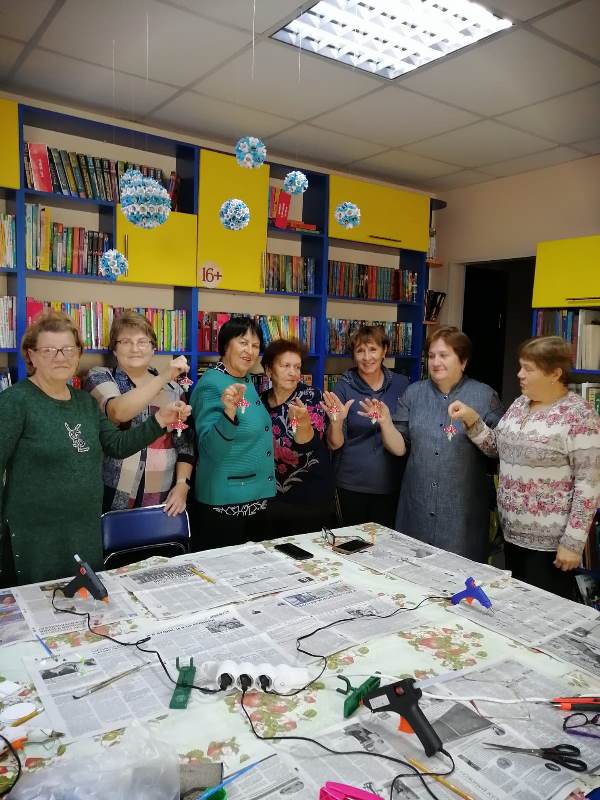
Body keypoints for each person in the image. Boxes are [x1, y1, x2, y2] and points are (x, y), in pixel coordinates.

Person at [0, 311, 191, 586]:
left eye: (68, 349)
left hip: (83, 532)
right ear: (31, 355)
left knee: (85, 603)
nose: (60, 357)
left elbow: (117, 445)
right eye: (49, 350)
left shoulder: (84, 403)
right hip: (34, 538)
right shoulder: (15, 402)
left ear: (78, 353)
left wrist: (160, 420)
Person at [449, 336, 600, 596]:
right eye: (521, 367)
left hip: (550, 548)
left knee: (544, 611)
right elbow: (496, 449)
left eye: (528, 369)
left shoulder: (580, 415)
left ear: (555, 374)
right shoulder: (520, 404)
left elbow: (589, 484)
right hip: (512, 536)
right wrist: (473, 420)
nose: (519, 374)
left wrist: (573, 543)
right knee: (517, 606)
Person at [362, 326, 502, 561]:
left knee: (459, 575)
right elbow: (400, 447)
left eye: (443, 355)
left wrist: (473, 421)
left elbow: (498, 450)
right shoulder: (413, 393)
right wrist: (385, 422)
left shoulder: (485, 396)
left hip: (461, 515)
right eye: (431, 355)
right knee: (410, 572)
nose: (435, 362)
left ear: (463, 361)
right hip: (417, 508)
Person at [84, 311, 194, 515]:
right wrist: (164, 377)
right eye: (125, 342)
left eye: (143, 342)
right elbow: (117, 412)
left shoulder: (174, 390)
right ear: (114, 349)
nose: (135, 348)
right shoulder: (100, 376)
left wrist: (182, 484)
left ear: (153, 348)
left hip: (161, 497)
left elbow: (184, 444)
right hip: (110, 493)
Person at [189, 317, 275, 548]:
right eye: (243, 343)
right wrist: (229, 414)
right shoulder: (212, 384)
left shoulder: (244, 379)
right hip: (226, 502)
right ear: (226, 344)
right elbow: (210, 449)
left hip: (253, 497)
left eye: (255, 345)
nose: (250, 351)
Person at [324, 325, 409, 528]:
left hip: (390, 484)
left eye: (373, 349)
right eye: (360, 351)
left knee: (385, 544)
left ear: (384, 351)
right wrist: (336, 422)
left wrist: (386, 422)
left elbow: (407, 439)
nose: (367, 357)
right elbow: (334, 444)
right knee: (351, 542)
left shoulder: (402, 384)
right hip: (351, 484)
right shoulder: (343, 385)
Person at [260, 338, 334, 537]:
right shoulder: (260, 402)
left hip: (310, 494)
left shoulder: (311, 397)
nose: (293, 372)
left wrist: (302, 423)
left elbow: (307, 444)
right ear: (269, 370)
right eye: (285, 366)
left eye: (297, 367)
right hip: (272, 496)